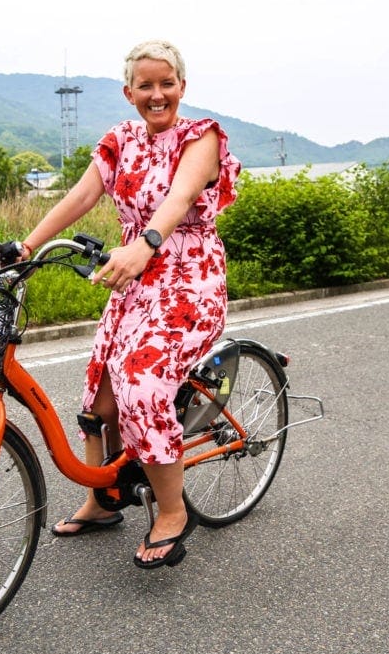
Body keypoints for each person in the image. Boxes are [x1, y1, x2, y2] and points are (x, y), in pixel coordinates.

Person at [13, 39, 240, 568]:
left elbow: (179, 198)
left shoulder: (200, 136)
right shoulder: (119, 141)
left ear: (182, 87)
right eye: (146, 85)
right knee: (102, 394)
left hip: (188, 279)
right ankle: (101, 498)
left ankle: (170, 511)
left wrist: (147, 244)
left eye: (167, 83)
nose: (157, 94)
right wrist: (26, 245)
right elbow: (81, 196)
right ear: (128, 92)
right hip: (133, 279)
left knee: (141, 383)